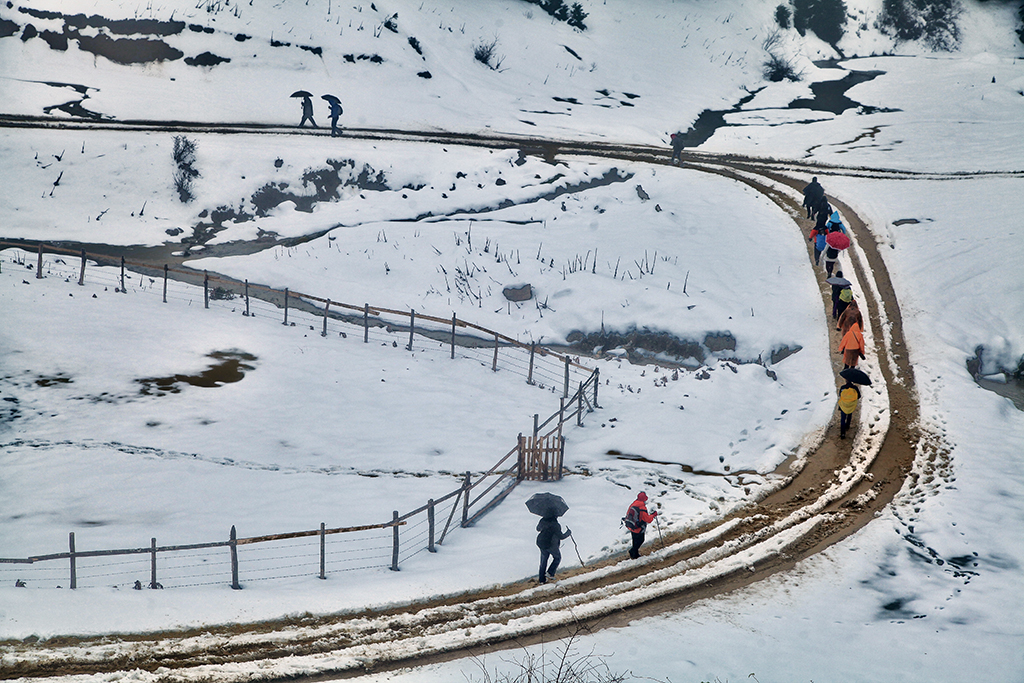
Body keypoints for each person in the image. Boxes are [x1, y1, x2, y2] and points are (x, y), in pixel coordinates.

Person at [536, 515, 571, 583]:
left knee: (543, 562)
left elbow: (538, 529)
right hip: (551, 544)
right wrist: (568, 533)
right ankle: (550, 573)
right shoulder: (556, 525)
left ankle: (541, 580)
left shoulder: (542, 520)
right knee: (557, 558)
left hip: (541, 543)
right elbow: (561, 536)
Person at [623, 491, 658, 559]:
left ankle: (635, 553)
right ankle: (633, 552)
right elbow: (648, 519)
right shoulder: (642, 507)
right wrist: (653, 515)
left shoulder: (633, 504)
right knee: (641, 540)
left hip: (631, 526)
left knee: (635, 540)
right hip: (638, 528)